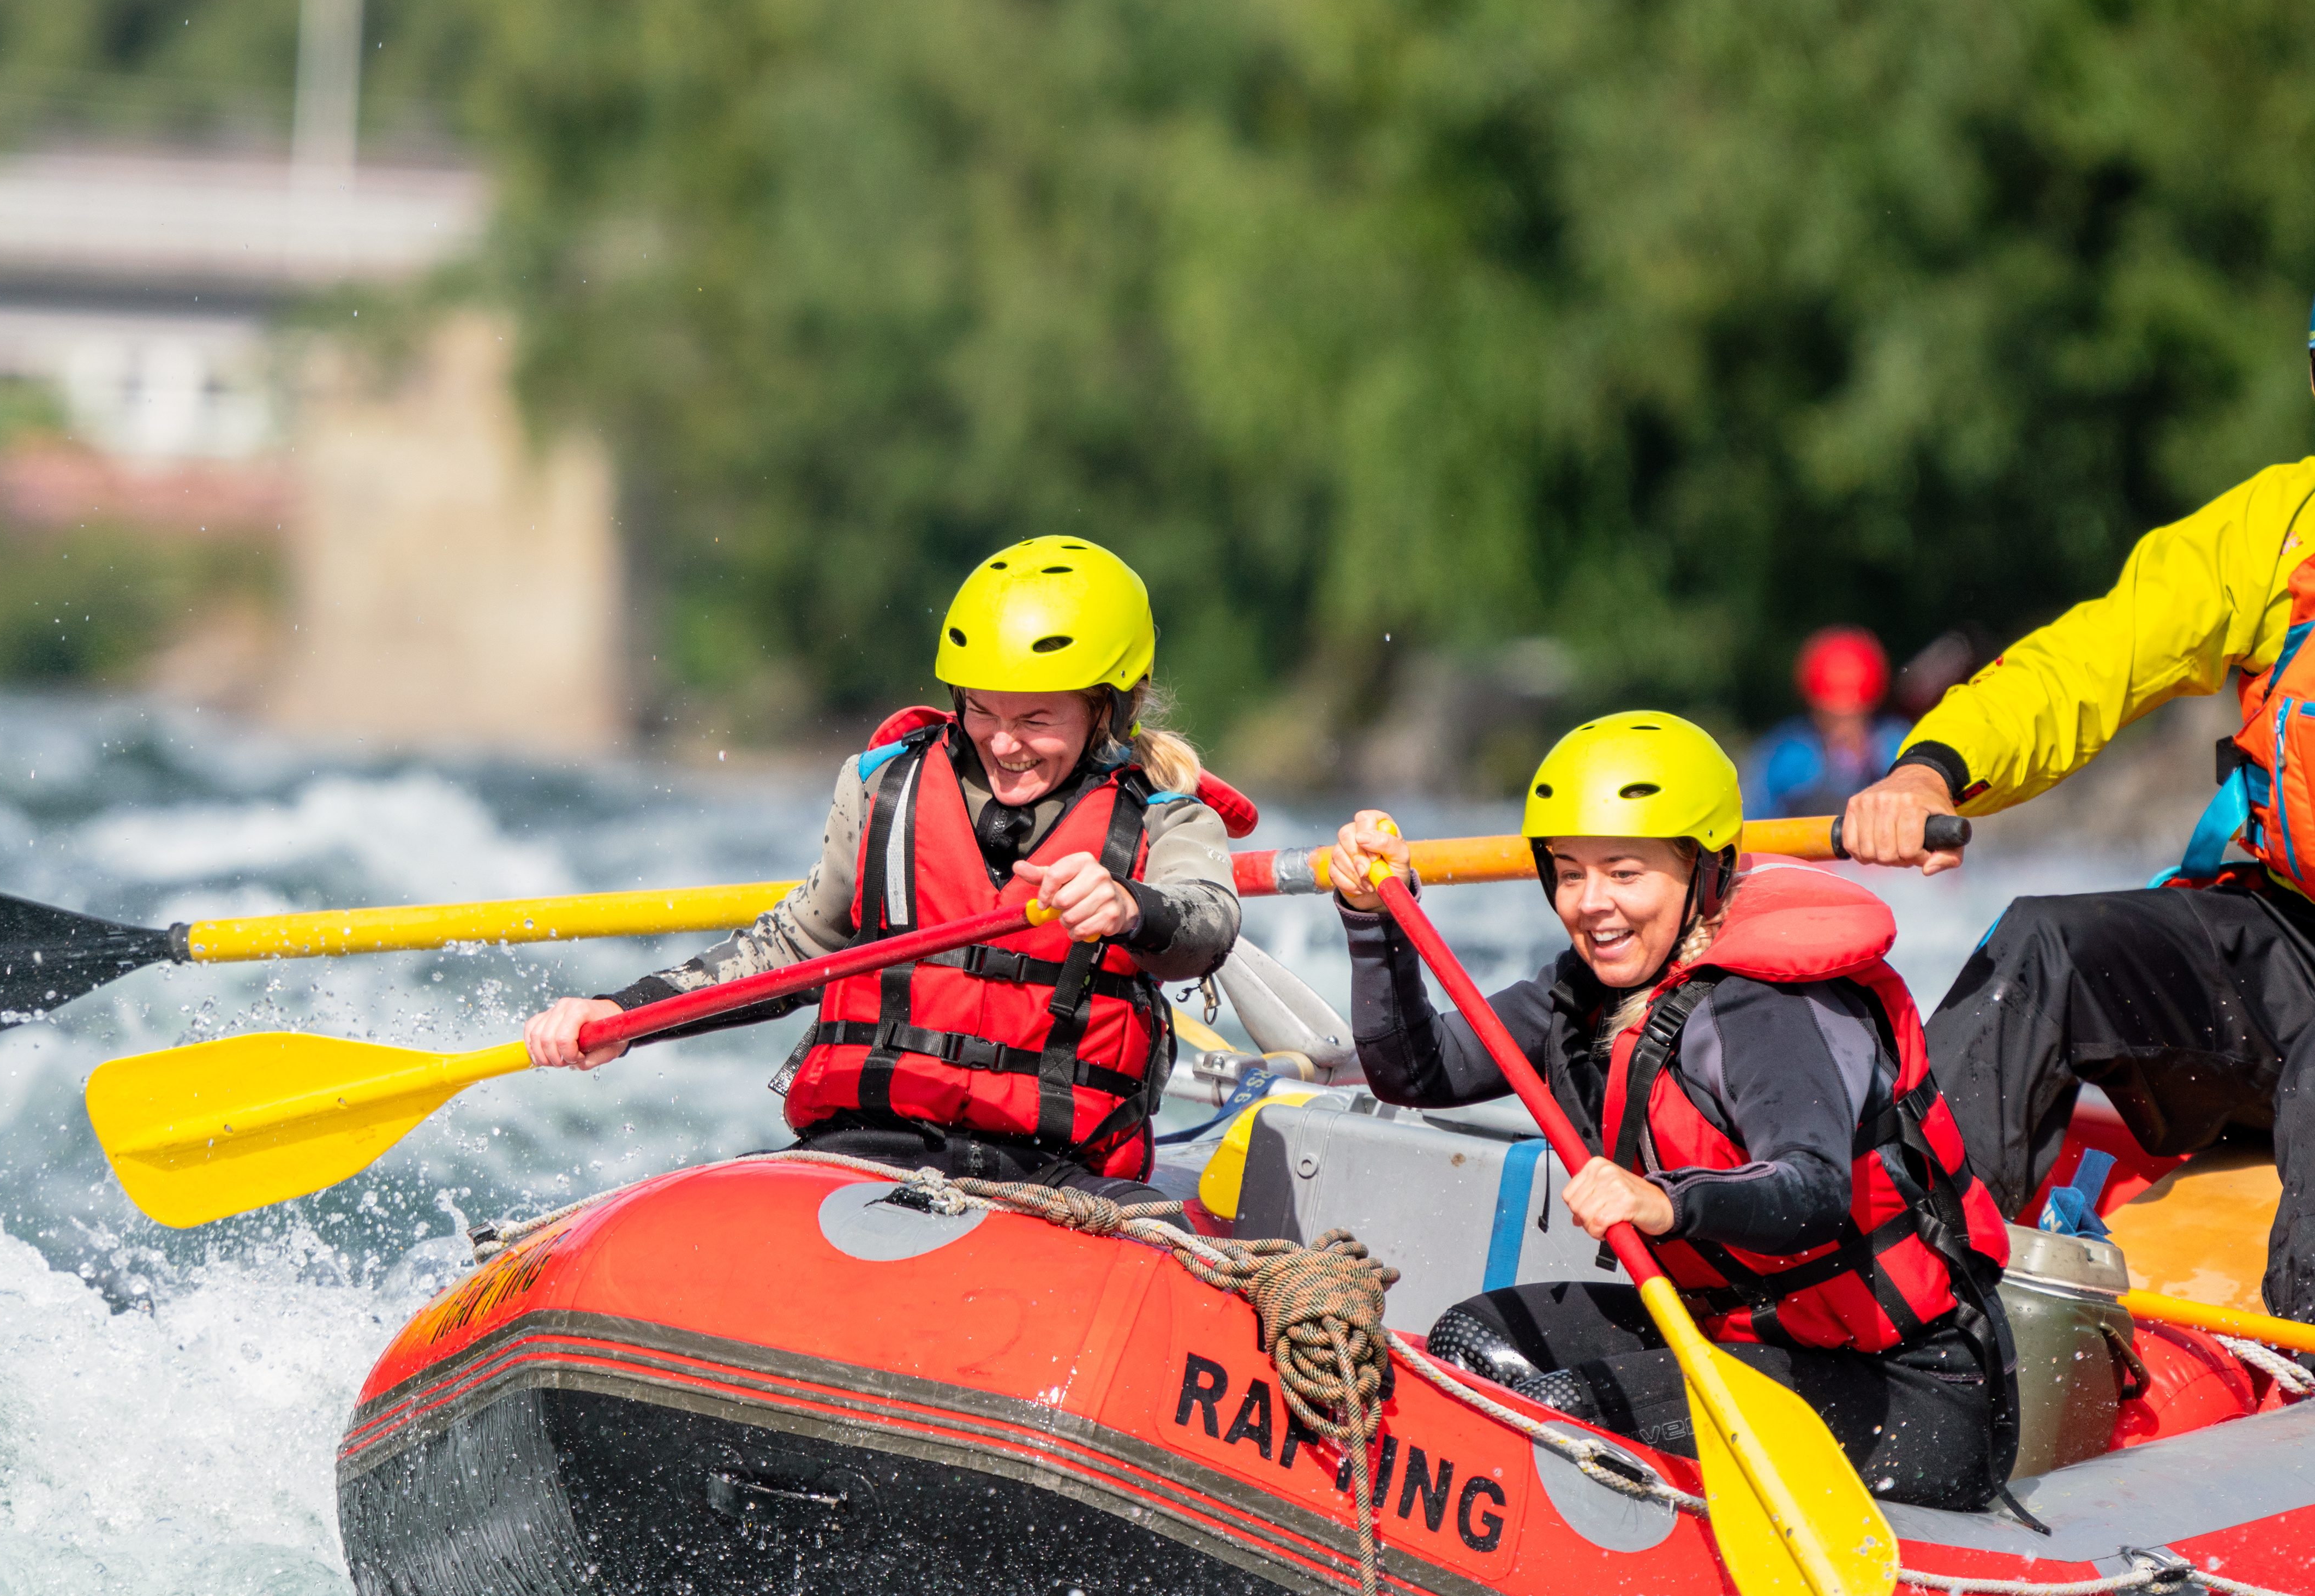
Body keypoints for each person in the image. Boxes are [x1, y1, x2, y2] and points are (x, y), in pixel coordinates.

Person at [1332, 713, 2018, 1510]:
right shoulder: (1585, 997)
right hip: (1744, 1341)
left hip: (1911, 1395)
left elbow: (1813, 1193)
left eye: (1625, 874)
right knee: (1469, 1342)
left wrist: (1664, 1203)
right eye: (1569, 872)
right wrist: (1375, 920)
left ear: (1707, 873)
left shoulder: (1768, 1009)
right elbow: (1415, 1070)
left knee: (1561, 1420)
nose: (1592, 905)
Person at [1840, 300, 2315, 1324]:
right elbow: (2087, 662)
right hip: (2289, 946)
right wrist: (1934, 766)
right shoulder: (2279, 527)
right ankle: (1909, 1323)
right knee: (2041, 950)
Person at [524, 536, 1253, 1191]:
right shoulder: (883, 789)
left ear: (1107, 712)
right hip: (865, 1151)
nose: (1004, 745)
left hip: (1059, 1177)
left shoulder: (1167, 817)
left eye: (1036, 721)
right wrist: (627, 1014)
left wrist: (1131, 909)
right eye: (984, 713)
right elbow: (790, 951)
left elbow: (1208, 924)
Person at [1744, 627, 1911, 820]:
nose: (1843, 731)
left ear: (1871, 707)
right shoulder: (1787, 756)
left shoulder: (1897, 746)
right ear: (1814, 709)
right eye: (1832, 718)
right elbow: (1753, 818)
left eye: (1854, 716)